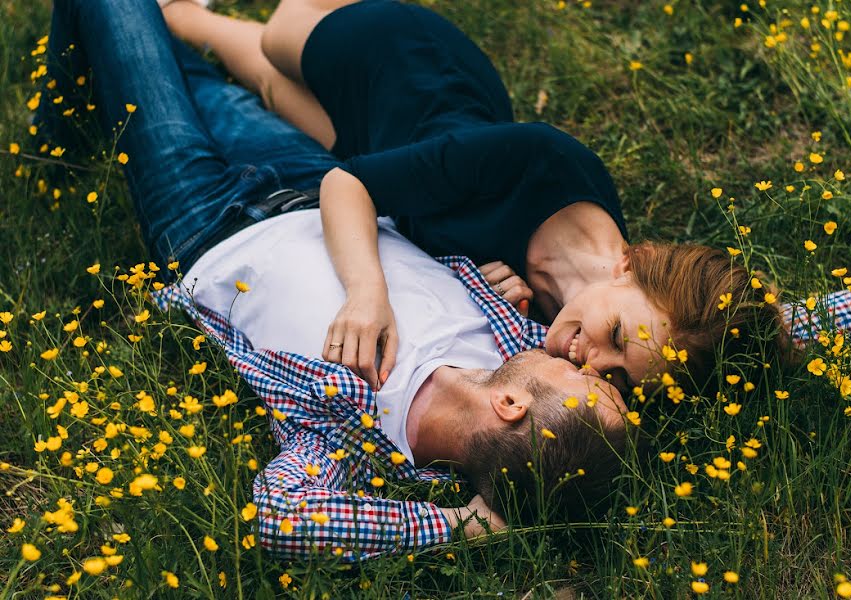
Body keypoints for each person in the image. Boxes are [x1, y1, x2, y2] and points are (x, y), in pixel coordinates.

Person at [40, 0, 631, 560]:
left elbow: (281, 519)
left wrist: (457, 525)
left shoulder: (364, 447)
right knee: (176, 74)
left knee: (117, 16)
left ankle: (55, 140)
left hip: (204, 225)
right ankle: (93, 99)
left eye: (582, 382)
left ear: (510, 405)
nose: (578, 362)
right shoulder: (512, 339)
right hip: (321, 183)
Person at [159, 0, 789, 396]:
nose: (591, 362)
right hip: (395, 61)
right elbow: (346, 185)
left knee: (274, 90)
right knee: (279, 40)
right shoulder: (541, 161)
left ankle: (185, 21)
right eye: (616, 336)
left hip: (384, 151)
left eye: (620, 377)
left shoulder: (551, 314)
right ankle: (185, 16)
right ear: (633, 262)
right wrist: (366, 292)